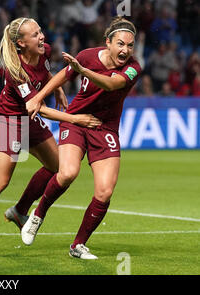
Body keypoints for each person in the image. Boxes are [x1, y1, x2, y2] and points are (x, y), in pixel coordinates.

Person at [0, 17, 101, 256]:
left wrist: (57, 88)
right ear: (20, 43)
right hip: (6, 119)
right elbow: (36, 107)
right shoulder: (16, 71)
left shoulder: (44, 51)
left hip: (27, 118)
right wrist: (75, 119)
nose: (42, 37)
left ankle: (21, 210)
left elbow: (47, 74)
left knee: (58, 165)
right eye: (35, 34)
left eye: (40, 31)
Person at [20, 17, 142, 260]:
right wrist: (39, 97)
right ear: (108, 42)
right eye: (120, 44)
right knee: (67, 173)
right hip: (76, 119)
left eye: (130, 46)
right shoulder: (87, 55)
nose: (125, 50)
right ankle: (38, 214)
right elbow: (62, 77)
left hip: (105, 128)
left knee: (105, 191)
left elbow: (110, 84)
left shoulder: (133, 68)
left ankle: (78, 245)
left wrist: (82, 71)